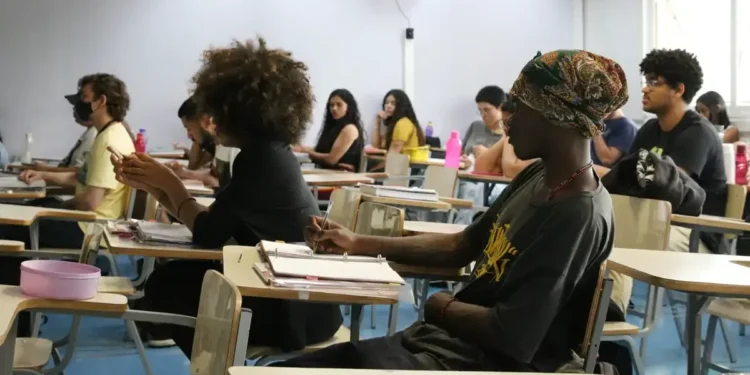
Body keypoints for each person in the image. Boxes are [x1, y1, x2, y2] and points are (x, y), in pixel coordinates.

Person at [274, 50, 628, 372]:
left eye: (520, 108)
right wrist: (356, 242)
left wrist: (438, 305)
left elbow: (514, 336)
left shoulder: (576, 213)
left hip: (478, 363)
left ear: (558, 116)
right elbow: (462, 245)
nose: (508, 121)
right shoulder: (539, 175)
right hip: (443, 346)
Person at [112, 38, 342, 356]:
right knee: (171, 280)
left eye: (217, 112)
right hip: (297, 299)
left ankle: (217, 362)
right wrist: (153, 185)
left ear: (238, 114)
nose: (213, 122)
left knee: (168, 285)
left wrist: (167, 183)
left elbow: (208, 233)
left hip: (294, 309)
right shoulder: (270, 152)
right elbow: (215, 223)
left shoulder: (260, 159)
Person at [0, 73, 135, 337]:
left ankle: (18, 333)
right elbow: (80, 177)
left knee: (8, 241)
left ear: (100, 101)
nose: (81, 104)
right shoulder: (107, 134)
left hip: (89, 230)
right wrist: (45, 177)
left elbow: (90, 202)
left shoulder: (109, 141)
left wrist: (55, 207)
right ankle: (22, 327)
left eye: (85, 98)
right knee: (15, 230)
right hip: (86, 223)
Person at [598, 49, 727, 315]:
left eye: (654, 83)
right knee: (594, 224)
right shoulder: (649, 130)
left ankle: (609, 310)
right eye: (646, 81)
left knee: (616, 233)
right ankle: (595, 307)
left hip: (696, 233)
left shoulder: (697, 132)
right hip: (656, 222)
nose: (644, 89)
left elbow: (668, 190)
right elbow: (626, 178)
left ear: (678, 89)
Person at [293, 89, 365, 171]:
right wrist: (301, 148)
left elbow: (331, 160)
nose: (334, 108)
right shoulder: (334, 127)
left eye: (339, 105)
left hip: (342, 176)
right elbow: (322, 149)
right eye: (331, 105)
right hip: (328, 172)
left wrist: (306, 152)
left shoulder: (350, 129)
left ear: (348, 107)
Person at [473, 101, 536, 179]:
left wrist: (501, 161)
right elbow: (480, 168)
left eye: (509, 123)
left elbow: (511, 172)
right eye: (503, 123)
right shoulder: (511, 138)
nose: (505, 128)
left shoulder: (538, 139)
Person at [370, 89, 425, 154]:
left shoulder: (403, 123)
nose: (388, 106)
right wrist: (377, 122)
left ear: (402, 106)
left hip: (405, 163)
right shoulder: (393, 125)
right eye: (386, 103)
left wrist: (378, 165)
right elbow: (375, 146)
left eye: (393, 104)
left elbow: (393, 155)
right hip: (398, 162)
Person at [463, 86, 506, 158]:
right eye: (480, 111)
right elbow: (461, 152)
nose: (483, 115)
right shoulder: (475, 126)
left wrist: (489, 154)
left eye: (487, 110)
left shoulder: (511, 136)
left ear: (500, 108)